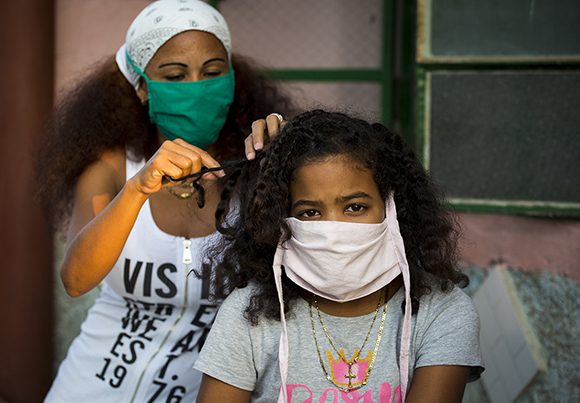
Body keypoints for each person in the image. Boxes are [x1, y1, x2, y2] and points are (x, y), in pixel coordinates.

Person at [38, 1, 293, 402]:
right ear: (142, 87)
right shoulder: (111, 166)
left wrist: (290, 161)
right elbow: (76, 278)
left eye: (212, 73)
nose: (196, 85)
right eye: (175, 75)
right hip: (89, 388)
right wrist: (138, 188)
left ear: (231, 79)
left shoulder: (258, 168)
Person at [193, 110, 484, 402]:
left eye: (355, 207)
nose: (333, 228)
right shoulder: (249, 312)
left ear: (393, 208)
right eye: (310, 213)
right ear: (280, 223)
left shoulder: (443, 311)